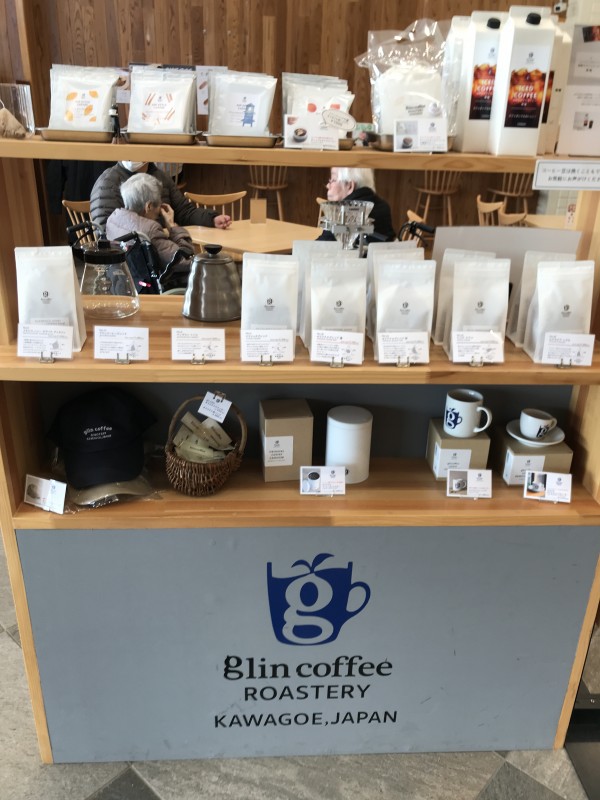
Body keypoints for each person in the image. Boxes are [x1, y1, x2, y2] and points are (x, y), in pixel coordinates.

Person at [105, 173, 196, 287]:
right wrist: (173, 227)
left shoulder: (113, 219)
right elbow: (184, 260)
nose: (159, 211)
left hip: (121, 284)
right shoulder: (150, 230)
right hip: (153, 288)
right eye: (159, 205)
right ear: (148, 206)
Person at [90, 160, 231, 231]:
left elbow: (184, 211)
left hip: (161, 249)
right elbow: (105, 232)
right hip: (133, 257)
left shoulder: (160, 176)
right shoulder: (107, 183)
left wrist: (212, 219)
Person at [317, 167, 395, 243]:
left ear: (350, 186)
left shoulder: (344, 212)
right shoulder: (383, 206)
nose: (328, 185)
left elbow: (321, 245)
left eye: (333, 180)